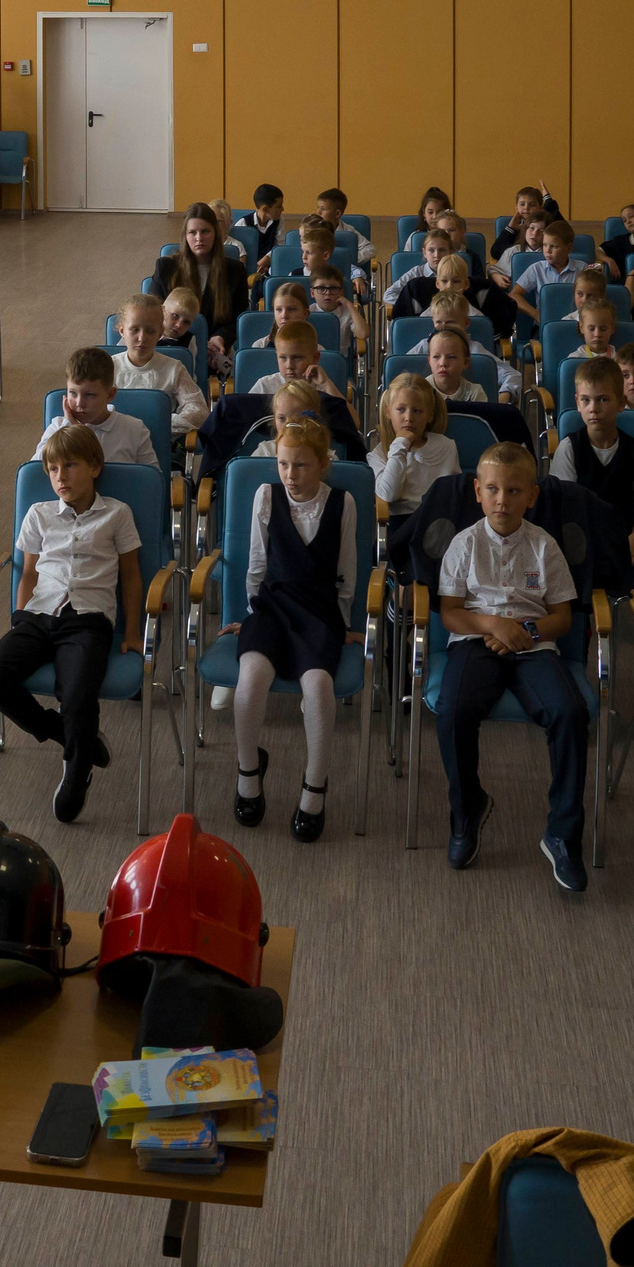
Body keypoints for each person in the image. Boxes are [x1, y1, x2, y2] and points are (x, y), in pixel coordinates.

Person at [433, 445, 588, 892]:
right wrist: (494, 625)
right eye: (494, 490)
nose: (503, 500)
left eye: (514, 490)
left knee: (569, 712)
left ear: (532, 496)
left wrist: (527, 631)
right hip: (476, 641)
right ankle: (467, 810)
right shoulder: (465, 543)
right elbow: (450, 612)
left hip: (533, 645)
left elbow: (562, 615)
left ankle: (562, 832)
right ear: (478, 493)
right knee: (453, 710)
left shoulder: (543, 546)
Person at [0, 423, 141, 823]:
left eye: (70, 465)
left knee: (79, 693)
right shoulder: (39, 514)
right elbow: (28, 574)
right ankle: (64, 734)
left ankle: (77, 767)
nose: (60, 476)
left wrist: (132, 631)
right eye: (52, 469)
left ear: (95, 466)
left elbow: (132, 575)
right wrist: (17, 624)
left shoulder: (117, 513)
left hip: (88, 620)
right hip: (39, 614)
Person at [226, 418, 357, 843]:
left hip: (319, 611)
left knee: (318, 687)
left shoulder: (342, 503)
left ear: (322, 464)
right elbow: (257, 566)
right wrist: (250, 615)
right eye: (283, 464)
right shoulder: (267, 497)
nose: (290, 475)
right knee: (251, 680)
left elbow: (347, 573)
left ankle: (314, 786)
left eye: (300, 466)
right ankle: (248, 772)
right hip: (272, 606)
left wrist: (346, 624)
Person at [551, 359, 634, 570]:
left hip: (625, 542)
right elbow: (564, 511)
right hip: (581, 546)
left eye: (603, 399)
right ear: (577, 403)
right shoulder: (569, 448)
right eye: (586, 400)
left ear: (621, 402)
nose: (594, 409)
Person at [152, 203, 250, 379]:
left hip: (215, 352)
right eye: (193, 232)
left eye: (205, 231)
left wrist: (220, 337)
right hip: (172, 348)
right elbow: (153, 312)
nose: (199, 238)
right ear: (185, 235)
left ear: (215, 233)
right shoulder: (166, 267)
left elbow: (239, 318)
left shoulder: (235, 271)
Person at [368, 372, 457, 556]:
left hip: (438, 523)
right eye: (401, 410)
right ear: (388, 412)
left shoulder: (445, 446)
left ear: (429, 415)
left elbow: (453, 493)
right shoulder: (378, 455)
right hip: (402, 526)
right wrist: (400, 446)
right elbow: (389, 495)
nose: (409, 418)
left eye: (417, 411)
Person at [35, 347, 157, 469]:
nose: (79, 403)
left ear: (110, 394)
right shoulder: (59, 427)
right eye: (73, 393)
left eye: (89, 395)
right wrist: (72, 429)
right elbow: (37, 469)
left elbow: (153, 480)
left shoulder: (134, 429)